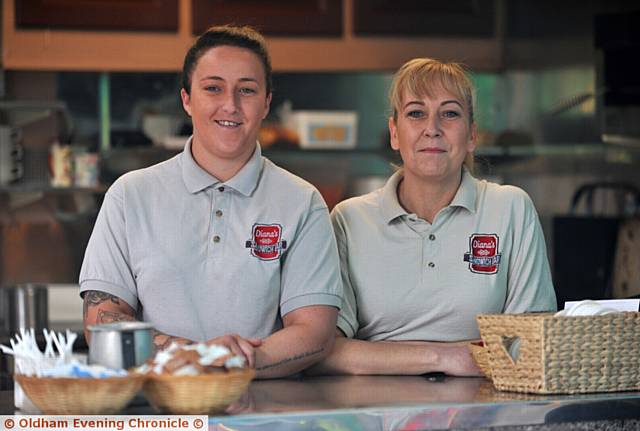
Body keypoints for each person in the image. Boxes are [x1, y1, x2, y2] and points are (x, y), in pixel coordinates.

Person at [80, 25, 342, 378]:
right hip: (159, 408)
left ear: (266, 103)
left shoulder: (303, 202)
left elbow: (315, 332)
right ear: (187, 99)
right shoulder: (130, 195)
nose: (230, 105)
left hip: (266, 413)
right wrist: (198, 357)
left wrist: (232, 364)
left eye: (246, 90)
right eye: (213, 88)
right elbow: (102, 320)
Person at [312, 58, 556, 376]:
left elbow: (532, 341)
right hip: (377, 417)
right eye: (416, 113)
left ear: (471, 135)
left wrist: (382, 356)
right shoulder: (349, 219)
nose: (433, 129)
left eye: (450, 114)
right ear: (394, 133)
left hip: (486, 413)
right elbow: (326, 350)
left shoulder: (511, 208)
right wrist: (447, 358)